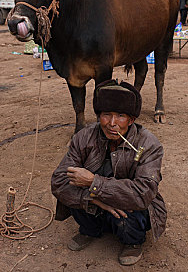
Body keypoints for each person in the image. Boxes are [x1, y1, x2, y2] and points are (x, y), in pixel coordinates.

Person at [51, 79, 167, 266]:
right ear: (99, 116)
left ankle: (133, 242)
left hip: (127, 205)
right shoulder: (84, 137)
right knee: (71, 191)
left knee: (131, 213)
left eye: (121, 116)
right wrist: (96, 199)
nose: (112, 123)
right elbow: (58, 181)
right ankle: (90, 230)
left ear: (131, 120)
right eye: (107, 115)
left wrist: (94, 183)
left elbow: (143, 193)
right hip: (95, 200)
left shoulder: (149, 144)